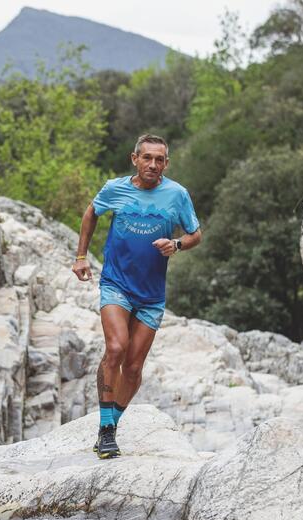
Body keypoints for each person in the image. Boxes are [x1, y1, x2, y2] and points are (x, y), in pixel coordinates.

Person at [72, 133, 202, 459]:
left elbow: (195, 233)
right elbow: (91, 213)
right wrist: (80, 256)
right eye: (147, 158)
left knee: (133, 368)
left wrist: (177, 245)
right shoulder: (115, 189)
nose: (153, 165)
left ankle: (110, 427)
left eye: (159, 160)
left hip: (152, 294)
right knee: (116, 347)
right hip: (116, 283)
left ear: (166, 164)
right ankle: (104, 428)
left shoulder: (176, 195)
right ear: (135, 159)